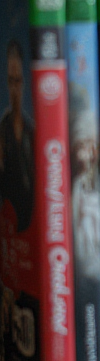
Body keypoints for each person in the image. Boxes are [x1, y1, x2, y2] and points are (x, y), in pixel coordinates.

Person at [0, 39, 34, 233]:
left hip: (32, 224)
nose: (14, 89)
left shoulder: (32, 131)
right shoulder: (2, 130)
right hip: (9, 229)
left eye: (18, 80)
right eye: (10, 81)